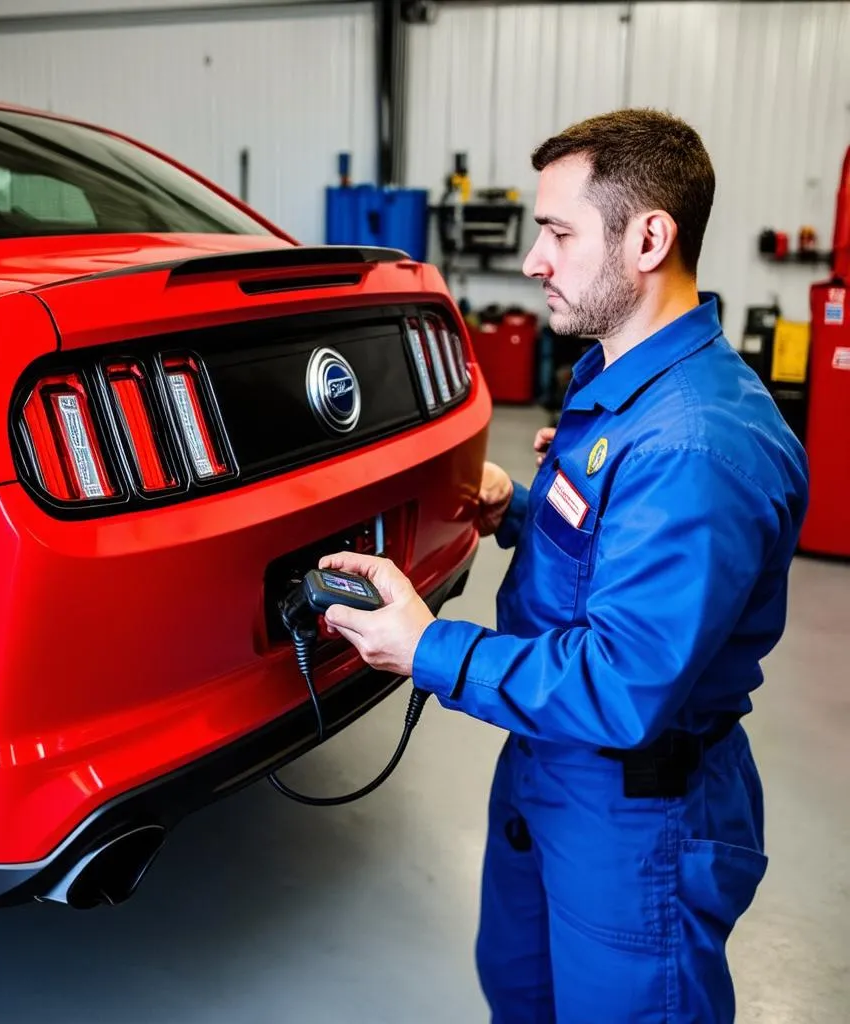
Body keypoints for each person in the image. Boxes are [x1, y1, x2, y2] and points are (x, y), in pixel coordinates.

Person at [320, 109, 809, 1023]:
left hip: (633, 817)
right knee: (523, 992)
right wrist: (528, 509)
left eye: (557, 232)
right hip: (551, 768)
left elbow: (624, 682)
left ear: (649, 238)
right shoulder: (624, 379)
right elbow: (615, 538)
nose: (534, 261)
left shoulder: (696, 444)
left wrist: (428, 648)